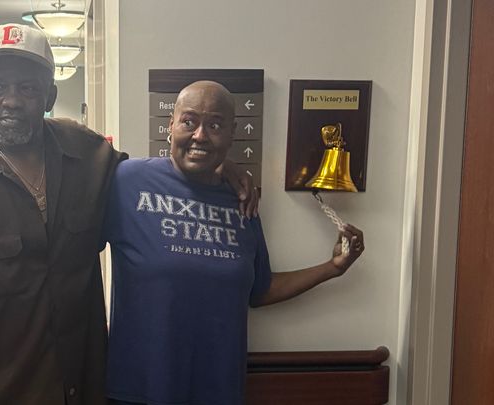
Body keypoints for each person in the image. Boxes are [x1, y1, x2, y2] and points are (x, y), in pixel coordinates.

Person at [0, 25, 257, 405]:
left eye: (28, 88)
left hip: (74, 378)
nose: (11, 101)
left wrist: (217, 166)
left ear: (50, 96)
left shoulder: (86, 153)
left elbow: (156, 177)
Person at [102, 81, 365, 405]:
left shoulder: (242, 202)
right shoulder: (127, 180)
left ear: (232, 134)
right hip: (138, 392)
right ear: (170, 125)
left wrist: (332, 268)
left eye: (215, 125)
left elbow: (260, 290)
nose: (200, 135)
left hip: (219, 391)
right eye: (189, 121)